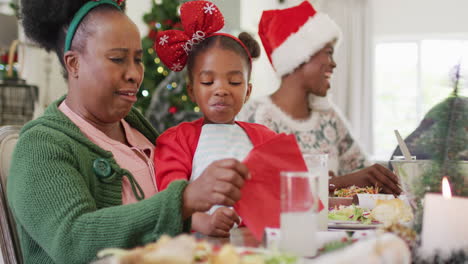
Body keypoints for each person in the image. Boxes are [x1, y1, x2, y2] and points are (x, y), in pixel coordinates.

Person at [7, 1, 249, 263]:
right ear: (73, 63)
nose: (135, 74)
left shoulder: (136, 127)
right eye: (118, 59)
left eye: (138, 59)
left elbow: (160, 224)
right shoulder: (41, 145)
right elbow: (72, 240)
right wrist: (184, 201)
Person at [237, 1, 401, 195]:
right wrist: (341, 182)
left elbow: (362, 171)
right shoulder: (256, 116)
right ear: (300, 56)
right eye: (329, 53)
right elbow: (267, 192)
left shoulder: (329, 116)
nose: (333, 64)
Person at [152, 1, 278, 238]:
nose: (221, 90)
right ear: (192, 91)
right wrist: (202, 222)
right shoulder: (176, 140)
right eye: (208, 82)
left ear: (248, 91)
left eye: (234, 82)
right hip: (199, 247)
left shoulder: (265, 138)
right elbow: (170, 199)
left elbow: (284, 191)